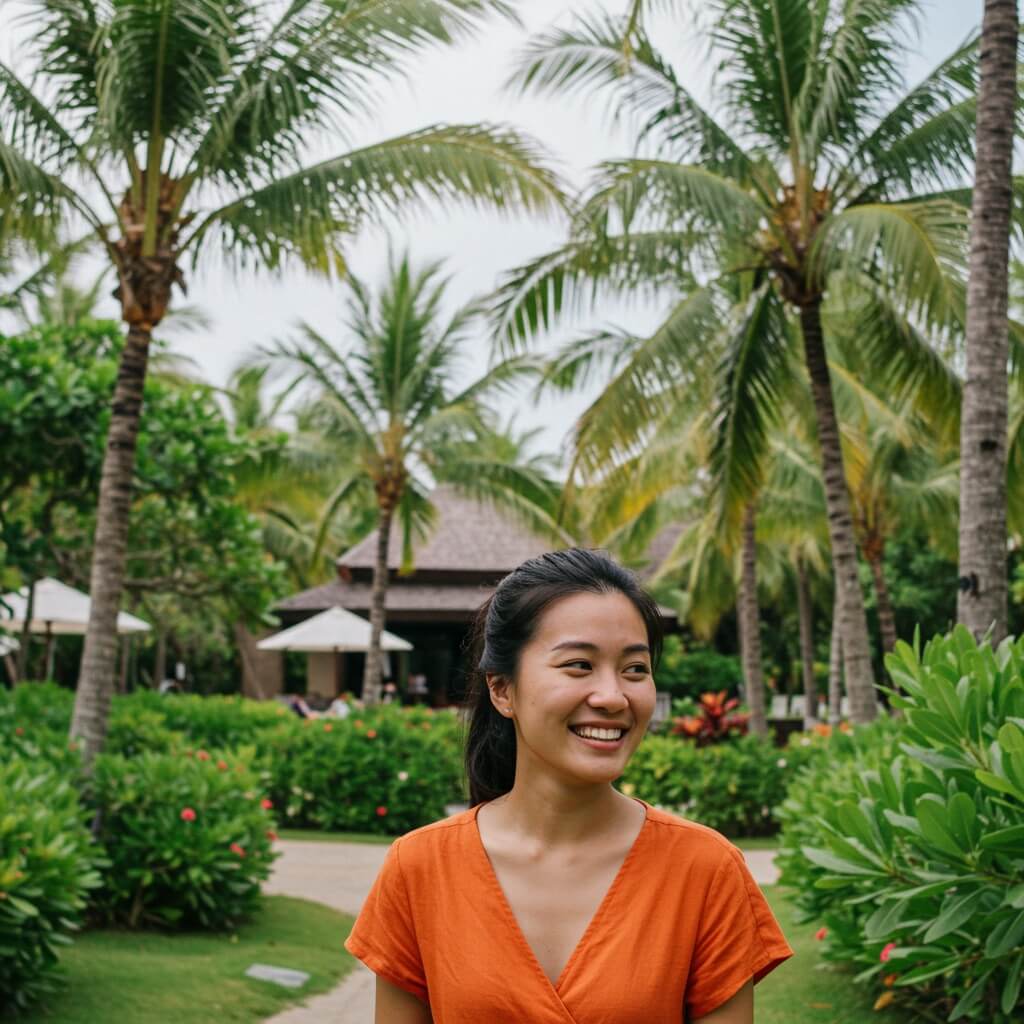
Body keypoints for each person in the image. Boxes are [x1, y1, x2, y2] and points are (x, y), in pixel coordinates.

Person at [344, 548, 794, 1023]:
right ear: (502, 689)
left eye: (635, 669)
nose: (612, 696)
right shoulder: (419, 869)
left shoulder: (706, 871)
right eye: (578, 664)